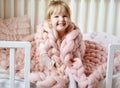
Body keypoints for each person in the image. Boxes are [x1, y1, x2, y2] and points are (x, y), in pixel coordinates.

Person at [34, 0, 107, 88]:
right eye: (56, 16)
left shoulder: (74, 35)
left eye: (65, 16)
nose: (61, 19)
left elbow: (79, 51)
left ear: (69, 19)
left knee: (72, 72)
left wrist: (72, 63)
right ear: (49, 21)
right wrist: (53, 66)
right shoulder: (45, 36)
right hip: (52, 63)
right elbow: (43, 56)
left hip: (69, 60)